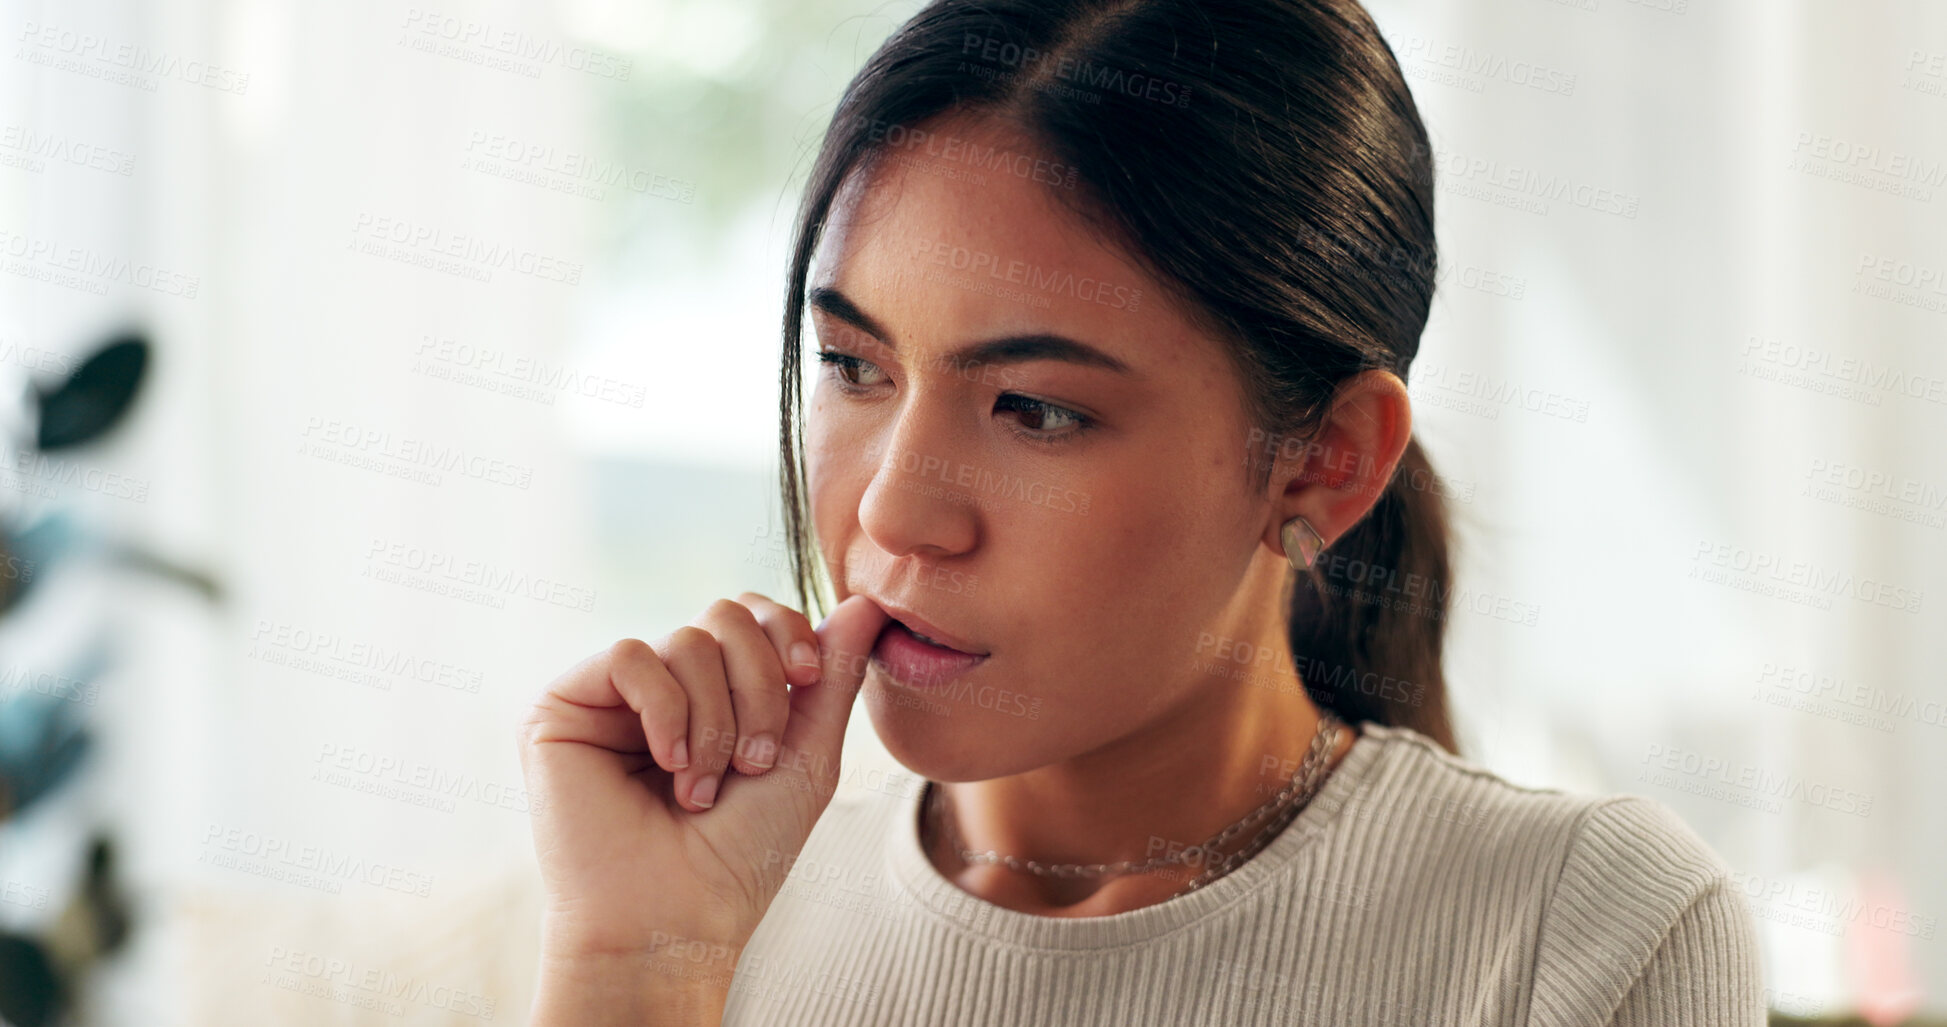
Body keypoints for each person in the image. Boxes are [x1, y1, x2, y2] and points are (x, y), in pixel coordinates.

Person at [515, 0, 1768, 1023]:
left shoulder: (1587, 939)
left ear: (1328, 459)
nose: (895, 511)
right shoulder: (711, 906)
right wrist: (640, 973)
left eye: (1035, 410)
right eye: (854, 367)